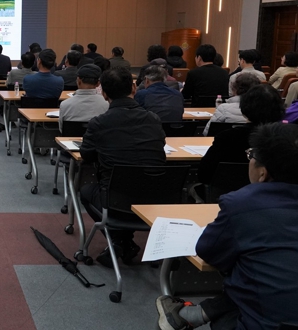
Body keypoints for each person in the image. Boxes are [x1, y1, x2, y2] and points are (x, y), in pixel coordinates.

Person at [156, 122, 298, 330]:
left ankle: (189, 314)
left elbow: (209, 252)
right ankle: (193, 314)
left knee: (247, 277)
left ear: (262, 172)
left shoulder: (242, 204)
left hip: (267, 322)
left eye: (251, 155)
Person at [79, 67, 165, 268]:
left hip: (115, 200)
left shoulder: (99, 123)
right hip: (155, 198)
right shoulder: (153, 119)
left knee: (85, 191)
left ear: (103, 93)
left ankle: (119, 240)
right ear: (134, 88)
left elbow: (86, 155)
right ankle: (124, 242)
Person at [197, 84, 284, 185]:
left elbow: (204, 175)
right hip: (277, 192)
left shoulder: (227, 138)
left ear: (243, 109)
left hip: (226, 190)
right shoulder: (287, 137)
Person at [58, 64, 108, 130]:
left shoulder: (64, 105)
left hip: (71, 136)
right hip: (98, 136)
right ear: (98, 84)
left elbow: (61, 129)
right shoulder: (106, 104)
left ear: (78, 81)